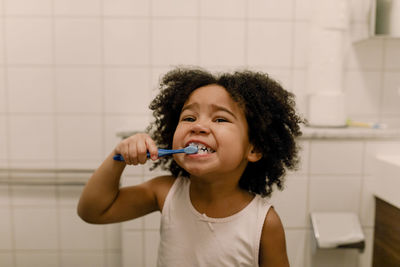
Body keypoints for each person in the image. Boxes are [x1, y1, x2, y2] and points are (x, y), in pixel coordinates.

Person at [78, 67, 303, 267]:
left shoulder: (263, 223)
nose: (199, 126)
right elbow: (93, 211)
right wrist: (117, 157)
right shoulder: (165, 193)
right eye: (189, 118)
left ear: (253, 149)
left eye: (220, 119)